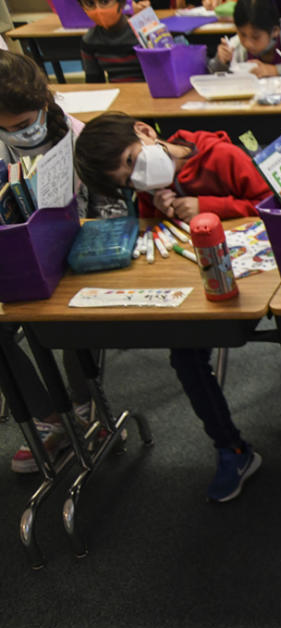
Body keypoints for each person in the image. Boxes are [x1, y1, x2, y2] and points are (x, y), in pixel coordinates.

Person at [73, 112, 270, 501]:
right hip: (198, 290)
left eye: (132, 162)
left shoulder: (223, 156)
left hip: (258, 280)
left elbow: (269, 204)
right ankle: (231, 448)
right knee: (184, 357)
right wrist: (159, 209)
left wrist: (207, 205)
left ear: (145, 131)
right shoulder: (151, 186)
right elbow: (154, 236)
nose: (137, 179)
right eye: (128, 181)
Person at [0, 50, 111, 473]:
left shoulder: (79, 138)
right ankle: (49, 420)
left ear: (45, 105)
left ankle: (84, 407)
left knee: (71, 324)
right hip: (16, 259)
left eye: (25, 124)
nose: (17, 134)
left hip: (73, 258)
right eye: (7, 128)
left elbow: (107, 210)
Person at [78, 0, 143, 83]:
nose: (98, 10)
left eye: (105, 2)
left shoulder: (144, 32)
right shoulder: (89, 40)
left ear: (121, 3)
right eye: (90, 3)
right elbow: (94, 83)